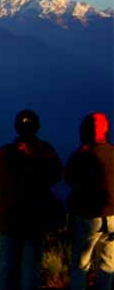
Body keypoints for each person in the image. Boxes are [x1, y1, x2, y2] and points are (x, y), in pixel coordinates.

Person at [0, 109, 63, 290]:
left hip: (8, 217)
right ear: (37, 127)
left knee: (7, 266)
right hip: (35, 219)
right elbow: (57, 174)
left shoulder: (4, 152)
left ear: (16, 127)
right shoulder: (46, 151)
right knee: (31, 268)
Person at [66, 112, 114, 290]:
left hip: (89, 217)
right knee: (108, 264)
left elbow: (69, 179)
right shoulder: (112, 152)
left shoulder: (82, 155)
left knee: (81, 264)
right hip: (113, 216)